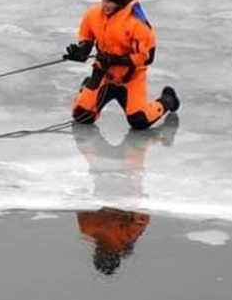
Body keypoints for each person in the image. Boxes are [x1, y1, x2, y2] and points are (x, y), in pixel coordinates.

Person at [63, 0, 180, 130]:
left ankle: (167, 100)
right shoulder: (93, 14)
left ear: (120, 2)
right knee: (82, 116)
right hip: (103, 74)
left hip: (130, 79)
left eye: (109, 2)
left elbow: (147, 57)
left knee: (139, 121)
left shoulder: (137, 24)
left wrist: (114, 60)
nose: (104, 5)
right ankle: (87, 86)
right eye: (103, 0)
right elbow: (86, 36)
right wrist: (81, 51)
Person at [72, 115, 178, 275]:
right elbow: (81, 203)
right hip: (108, 177)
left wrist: (140, 202)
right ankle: (154, 132)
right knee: (126, 144)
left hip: (123, 181)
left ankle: (159, 134)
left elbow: (142, 217)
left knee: (136, 143)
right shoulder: (90, 231)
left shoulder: (121, 237)